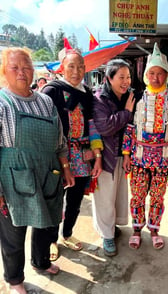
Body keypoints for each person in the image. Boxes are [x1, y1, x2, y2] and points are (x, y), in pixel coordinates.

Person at [0, 47, 75, 294]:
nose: (22, 72)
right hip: (13, 177)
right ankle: (15, 281)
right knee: (13, 233)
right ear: (4, 72)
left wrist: (65, 168)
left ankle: (41, 262)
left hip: (48, 173)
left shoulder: (45, 101)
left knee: (47, 224)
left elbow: (60, 141)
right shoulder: (2, 103)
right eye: (15, 67)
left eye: (27, 67)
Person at [122, 43, 168, 250]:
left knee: (158, 196)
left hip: (164, 158)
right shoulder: (137, 98)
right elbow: (129, 128)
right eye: (152, 73)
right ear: (146, 75)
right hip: (139, 157)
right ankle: (137, 229)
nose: (156, 78)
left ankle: (155, 229)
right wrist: (126, 155)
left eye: (160, 74)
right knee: (138, 195)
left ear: (167, 76)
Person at [42, 48, 103, 260]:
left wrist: (97, 155)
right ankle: (51, 239)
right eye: (71, 66)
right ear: (62, 68)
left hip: (83, 155)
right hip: (58, 155)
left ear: (86, 69)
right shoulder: (52, 91)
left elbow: (93, 125)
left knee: (76, 200)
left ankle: (67, 233)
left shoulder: (87, 94)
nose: (76, 71)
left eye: (80, 67)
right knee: (55, 199)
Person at [92, 59, 135, 256]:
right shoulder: (100, 99)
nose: (126, 81)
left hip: (120, 154)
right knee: (104, 199)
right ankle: (106, 235)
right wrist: (126, 112)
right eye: (121, 77)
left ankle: (111, 227)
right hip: (104, 157)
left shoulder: (127, 97)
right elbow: (106, 127)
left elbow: (130, 129)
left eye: (128, 77)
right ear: (109, 78)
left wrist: (127, 153)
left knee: (117, 195)